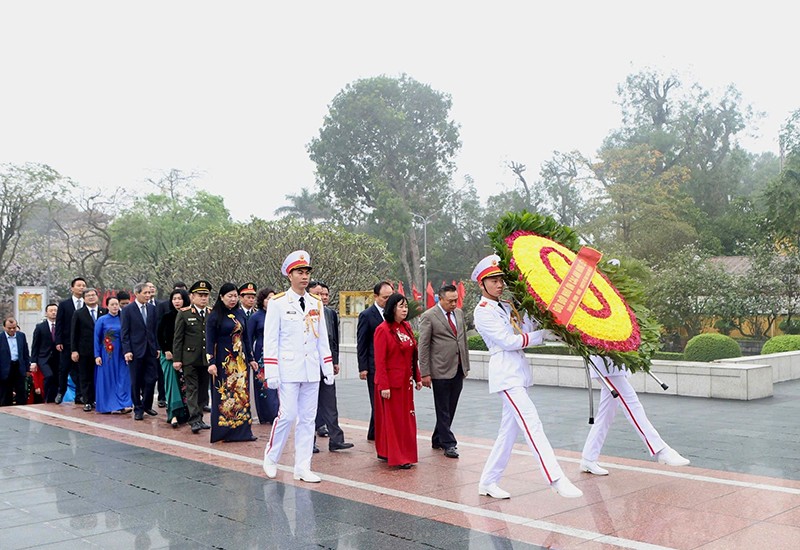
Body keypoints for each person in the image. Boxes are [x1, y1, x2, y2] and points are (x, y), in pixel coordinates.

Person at [471, 254, 583, 499]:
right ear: (482, 284)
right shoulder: (482, 311)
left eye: (501, 279)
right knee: (532, 422)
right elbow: (508, 341)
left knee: (507, 432)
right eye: (493, 280)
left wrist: (534, 315)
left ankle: (488, 481)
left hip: (518, 372)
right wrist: (541, 335)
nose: (499, 284)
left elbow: (523, 331)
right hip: (505, 373)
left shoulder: (506, 306)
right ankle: (556, 478)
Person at [262, 250, 334, 483]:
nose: (304, 277)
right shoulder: (278, 303)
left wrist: (327, 366)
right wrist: (271, 371)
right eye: (299, 272)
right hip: (288, 368)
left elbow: (322, 337)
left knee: (307, 419)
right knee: (287, 415)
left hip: (310, 368)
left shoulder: (315, 303)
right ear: (289, 275)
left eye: (306, 272)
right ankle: (272, 457)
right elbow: (270, 339)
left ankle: (302, 466)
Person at [580, 355, 690, 475]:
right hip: (605, 364)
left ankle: (589, 458)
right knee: (632, 405)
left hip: (615, 364)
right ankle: (660, 449)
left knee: (606, 415)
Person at [418, 284, 470, 459]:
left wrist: (466, 365)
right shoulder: (429, 316)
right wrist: (424, 372)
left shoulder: (459, 314)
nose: (454, 304)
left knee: (451, 406)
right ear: (440, 299)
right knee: (442, 408)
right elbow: (423, 346)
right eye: (450, 301)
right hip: (439, 369)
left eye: (456, 300)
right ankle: (449, 443)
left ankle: (437, 438)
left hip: (458, 368)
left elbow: (463, 341)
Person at [373, 293, 423, 469]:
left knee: (406, 419)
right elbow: (380, 361)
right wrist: (384, 385)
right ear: (392, 308)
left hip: (406, 383)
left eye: (406, 306)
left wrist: (417, 377)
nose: (404, 310)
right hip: (391, 384)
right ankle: (397, 456)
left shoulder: (407, 327)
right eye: (400, 306)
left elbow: (412, 355)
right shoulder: (383, 329)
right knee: (394, 421)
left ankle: (404, 452)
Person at [206, 282, 258, 443]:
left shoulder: (240, 314)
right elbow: (209, 340)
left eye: (235, 296)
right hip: (224, 362)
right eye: (230, 296)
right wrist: (211, 362)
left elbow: (246, 339)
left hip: (240, 363)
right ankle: (224, 430)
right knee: (225, 395)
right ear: (221, 297)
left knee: (241, 395)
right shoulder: (214, 316)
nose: (233, 299)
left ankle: (243, 431)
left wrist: (251, 359)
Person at [307, 280, 354, 453]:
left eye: (324, 294)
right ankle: (308, 441)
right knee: (309, 406)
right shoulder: (303, 312)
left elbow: (333, 339)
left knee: (330, 404)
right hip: (308, 365)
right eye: (317, 294)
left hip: (326, 364)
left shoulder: (330, 313)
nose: (322, 297)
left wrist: (335, 361)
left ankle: (336, 439)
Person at [173, 280, 212, 434]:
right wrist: (177, 359)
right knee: (192, 389)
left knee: (203, 390)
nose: (203, 298)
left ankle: (200, 417)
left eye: (206, 295)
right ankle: (194, 419)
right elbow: (178, 338)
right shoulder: (184, 313)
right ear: (192, 296)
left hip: (206, 359)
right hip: (189, 358)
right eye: (200, 295)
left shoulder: (211, 312)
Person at [356, 281, 394, 441]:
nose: (388, 300)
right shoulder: (367, 315)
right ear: (376, 297)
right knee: (377, 402)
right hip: (373, 367)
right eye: (385, 298)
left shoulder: (394, 314)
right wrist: (363, 367)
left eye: (391, 297)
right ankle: (382, 436)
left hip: (391, 366)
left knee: (384, 402)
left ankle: (373, 432)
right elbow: (362, 343)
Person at [120, 282, 160, 421]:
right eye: (145, 293)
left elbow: (155, 330)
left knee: (152, 378)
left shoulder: (153, 309)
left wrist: (158, 347)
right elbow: (124, 332)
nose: (148, 295)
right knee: (136, 381)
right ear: (137, 294)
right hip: (135, 350)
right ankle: (138, 408)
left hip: (150, 349)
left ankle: (147, 405)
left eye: (149, 293)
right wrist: (127, 350)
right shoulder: (127, 310)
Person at [157, 288, 191, 428]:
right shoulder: (167, 316)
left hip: (186, 357)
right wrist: (166, 350)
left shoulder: (190, 315)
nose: (177, 301)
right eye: (174, 299)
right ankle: (174, 415)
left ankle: (187, 414)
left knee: (186, 386)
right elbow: (159, 335)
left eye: (179, 298)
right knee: (172, 386)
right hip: (169, 357)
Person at [93, 296, 133, 414]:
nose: (115, 306)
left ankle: (124, 404)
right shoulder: (102, 320)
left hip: (122, 353)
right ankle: (107, 405)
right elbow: (96, 338)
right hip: (107, 354)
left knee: (123, 378)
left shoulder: (124, 318)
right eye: (112, 304)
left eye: (117, 304)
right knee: (108, 379)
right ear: (107, 306)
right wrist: (97, 355)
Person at [245, 287, 279, 424]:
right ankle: (266, 414)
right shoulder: (256, 317)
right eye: (268, 298)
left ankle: (277, 413)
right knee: (263, 384)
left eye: (273, 298)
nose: (270, 301)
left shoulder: (278, 315)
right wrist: (251, 356)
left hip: (277, 352)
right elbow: (248, 337)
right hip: (261, 352)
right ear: (262, 301)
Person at [70, 288, 106, 411]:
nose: (91, 297)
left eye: (93, 295)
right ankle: (87, 401)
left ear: (97, 297)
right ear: (84, 299)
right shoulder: (79, 313)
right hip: (85, 350)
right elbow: (74, 333)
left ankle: (99, 399)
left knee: (100, 376)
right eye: (88, 296)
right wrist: (74, 350)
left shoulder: (104, 311)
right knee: (86, 376)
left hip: (103, 350)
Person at [54, 277, 87, 404]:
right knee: (64, 368)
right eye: (79, 285)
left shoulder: (87, 304)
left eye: (83, 285)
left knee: (80, 370)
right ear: (72, 288)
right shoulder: (64, 304)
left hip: (82, 343)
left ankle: (80, 395)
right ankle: (61, 391)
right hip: (67, 343)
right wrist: (58, 341)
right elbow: (59, 323)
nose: (81, 287)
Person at [30, 303, 60, 403]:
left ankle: (53, 399)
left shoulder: (61, 326)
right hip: (43, 357)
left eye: (55, 310)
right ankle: (46, 397)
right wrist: (33, 361)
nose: (53, 312)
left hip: (57, 357)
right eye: (51, 310)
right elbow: (35, 345)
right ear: (46, 313)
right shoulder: (40, 327)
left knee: (56, 379)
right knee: (48, 376)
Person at [0, 317, 30, 406]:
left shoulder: (21, 336)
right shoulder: (1, 338)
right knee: (5, 394)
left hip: (18, 367)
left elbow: (25, 352)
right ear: (4, 327)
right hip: (5, 369)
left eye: (14, 327)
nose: (12, 330)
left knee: (21, 393)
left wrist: (27, 368)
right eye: (9, 328)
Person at [147, 281, 167, 409]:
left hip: (158, 344)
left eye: (153, 288)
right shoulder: (135, 307)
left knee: (161, 373)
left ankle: (162, 398)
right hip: (143, 345)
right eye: (148, 288)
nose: (151, 290)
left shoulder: (161, 305)